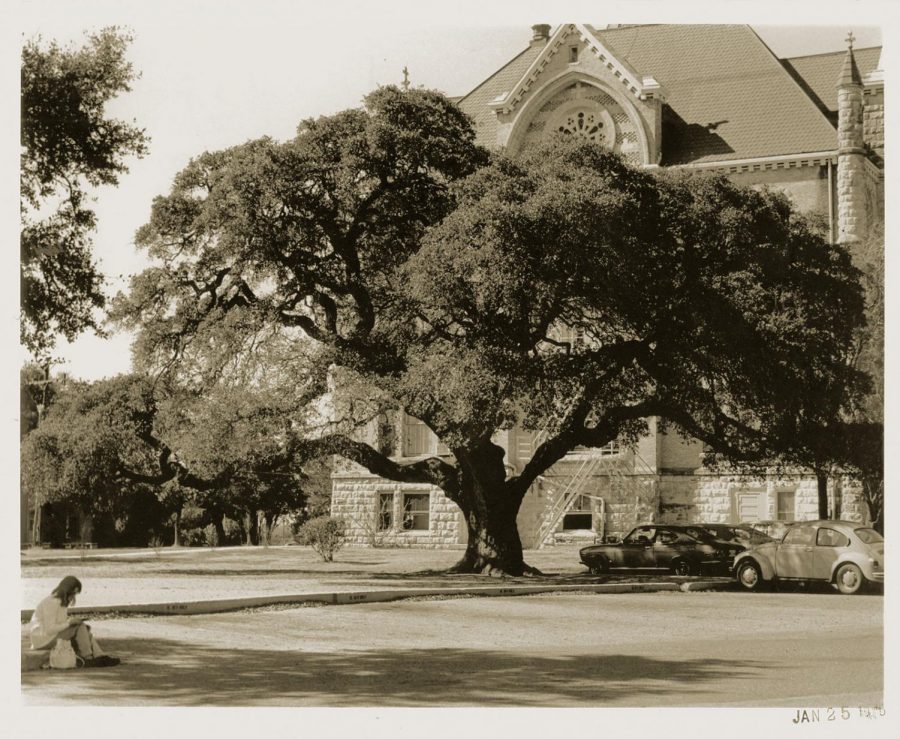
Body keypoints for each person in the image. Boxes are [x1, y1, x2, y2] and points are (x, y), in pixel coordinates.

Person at [30, 575, 120, 668]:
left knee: (82, 627)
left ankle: (100, 656)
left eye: (75, 594)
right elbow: (50, 629)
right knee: (80, 627)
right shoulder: (51, 602)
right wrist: (69, 623)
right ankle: (88, 658)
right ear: (66, 591)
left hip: (49, 637)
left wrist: (72, 624)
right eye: (72, 593)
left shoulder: (61, 603)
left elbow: (60, 625)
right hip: (42, 640)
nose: (73, 597)